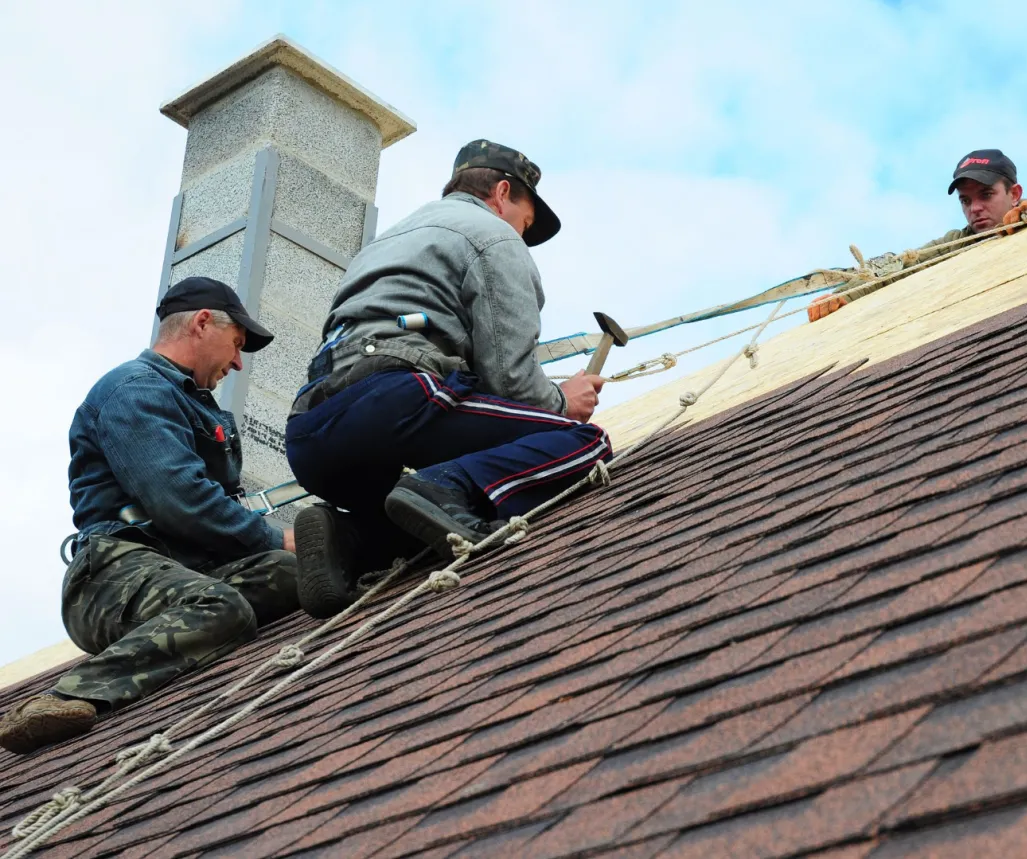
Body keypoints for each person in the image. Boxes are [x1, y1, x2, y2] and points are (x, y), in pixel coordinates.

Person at [284, 140, 610, 618]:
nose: (521, 234)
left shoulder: (384, 244)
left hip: (311, 436)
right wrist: (562, 402)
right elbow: (511, 381)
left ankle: (349, 537)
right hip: (394, 402)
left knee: (425, 513)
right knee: (583, 443)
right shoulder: (493, 237)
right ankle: (444, 485)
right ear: (503, 193)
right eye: (525, 222)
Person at [0, 277, 300, 755]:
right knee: (222, 606)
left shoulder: (186, 400)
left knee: (290, 573)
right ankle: (66, 697)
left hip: (182, 570)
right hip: (111, 576)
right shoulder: (135, 390)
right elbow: (179, 498)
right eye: (237, 344)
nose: (238, 362)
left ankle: (185, 632)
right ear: (203, 323)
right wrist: (274, 537)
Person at [808, 149, 1027, 321]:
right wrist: (843, 297)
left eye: (986, 195)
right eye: (965, 200)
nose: (974, 208)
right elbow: (898, 268)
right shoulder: (955, 243)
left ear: (1014, 194)